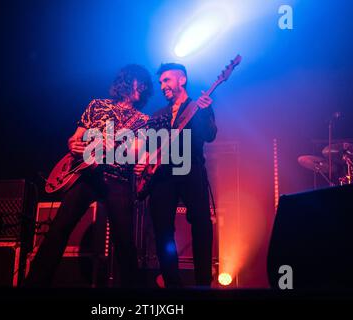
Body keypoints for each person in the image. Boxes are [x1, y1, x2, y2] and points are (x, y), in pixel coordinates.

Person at [24, 64, 153, 287]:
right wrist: (74, 144)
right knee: (59, 230)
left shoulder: (142, 119)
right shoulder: (96, 105)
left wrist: (114, 147)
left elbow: (136, 152)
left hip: (117, 179)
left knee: (124, 240)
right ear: (126, 81)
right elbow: (75, 138)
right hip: (86, 175)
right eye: (137, 81)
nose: (141, 86)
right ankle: (33, 285)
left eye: (144, 84)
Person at [135, 63, 217, 287]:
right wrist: (144, 163)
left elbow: (209, 135)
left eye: (167, 80)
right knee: (162, 228)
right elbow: (148, 147)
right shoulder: (159, 114)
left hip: (190, 168)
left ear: (182, 80)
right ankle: (172, 284)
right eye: (161, 82)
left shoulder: (198, 106)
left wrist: (206, 111)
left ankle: (203, 283)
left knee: (200, 222)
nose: (162, 86)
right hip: (162, 175)